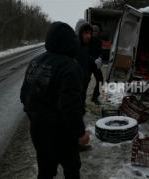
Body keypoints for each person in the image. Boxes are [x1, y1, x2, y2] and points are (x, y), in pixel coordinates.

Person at [20, 22, 89, 179]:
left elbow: (25, 95)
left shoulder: (35, 62)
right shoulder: (70, 67)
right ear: (70, 42)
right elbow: (70, 108)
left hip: (37, 131)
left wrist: (32, 117)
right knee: (71, 168)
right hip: (61, 133)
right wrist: (80, 133)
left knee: (45, 169)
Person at [75, 20, 97, 107]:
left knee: (82, 97)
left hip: (85, 79)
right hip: (77, 82)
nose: (89, 36)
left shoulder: (85, 46)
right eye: (86, 33)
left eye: (90, 33)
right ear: (79, 33)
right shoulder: (74, 47)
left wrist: (94, 61)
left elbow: (85, 57)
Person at [89, 25, 104, 105]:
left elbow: (101, 51)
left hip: (96, 65)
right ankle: (80, 99)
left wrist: (100, 58)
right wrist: (93, 59)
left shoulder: (99, 41)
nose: (95, 33)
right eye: (94, 31)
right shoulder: (88, 40)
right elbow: (84, 52)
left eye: (96, 31)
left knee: (100, 80)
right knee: (84, 81)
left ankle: (95, 97)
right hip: (87, 64)